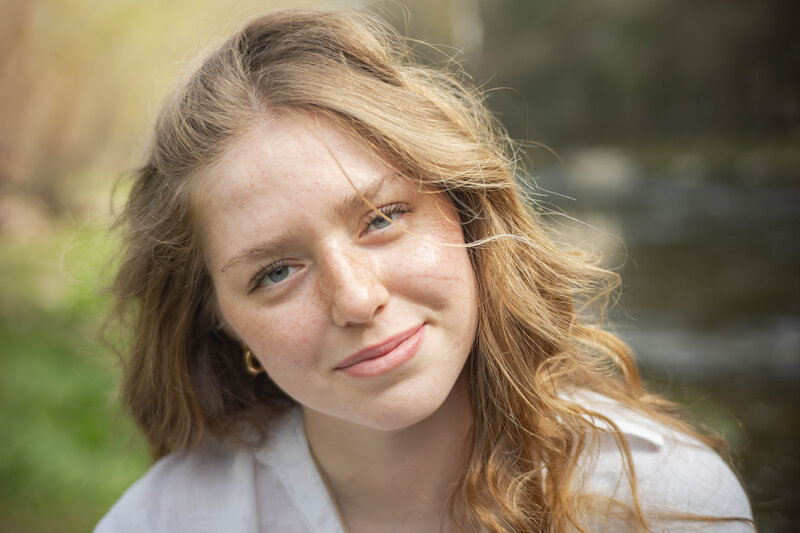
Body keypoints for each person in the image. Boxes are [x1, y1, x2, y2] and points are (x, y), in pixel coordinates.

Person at [96, 9, 754, 533]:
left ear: (465, 211)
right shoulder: (162, 521)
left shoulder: (663, 503)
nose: (356, 299)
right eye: (275, 272)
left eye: (382, 217)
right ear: (219, 318)